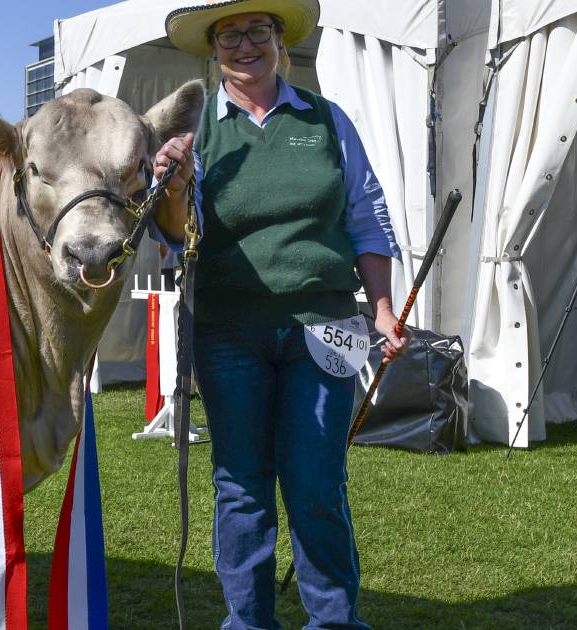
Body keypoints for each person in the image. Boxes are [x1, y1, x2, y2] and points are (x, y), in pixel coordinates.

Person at [155, 1, 409, 628]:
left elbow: (365, 215)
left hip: (328, 325)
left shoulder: (326, 120)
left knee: (316, 483)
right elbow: (176, 237)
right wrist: (177, 186)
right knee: (241, 484)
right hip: (227, 329)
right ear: (213, 51)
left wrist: (381, 308)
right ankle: (249, 622)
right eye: (229, 36)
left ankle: (333, 621)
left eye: (257, 32)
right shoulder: (195, 136)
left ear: (278, 41)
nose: (245, 45)